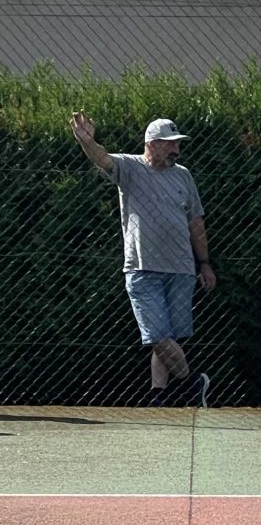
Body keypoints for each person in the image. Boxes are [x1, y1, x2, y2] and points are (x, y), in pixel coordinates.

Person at [69, 113, 214, 406]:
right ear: (153, 143)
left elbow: (195, 221)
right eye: (170, 144)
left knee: (169, 337)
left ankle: (158, 396)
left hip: (182, 269)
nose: (176, 149)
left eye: (178, 144)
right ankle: (193, 384)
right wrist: (87, 142)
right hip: (142, 268)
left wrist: (205, 263)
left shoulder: (183, 175)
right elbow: (102, 159)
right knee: (157, 335)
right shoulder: (130, 167)